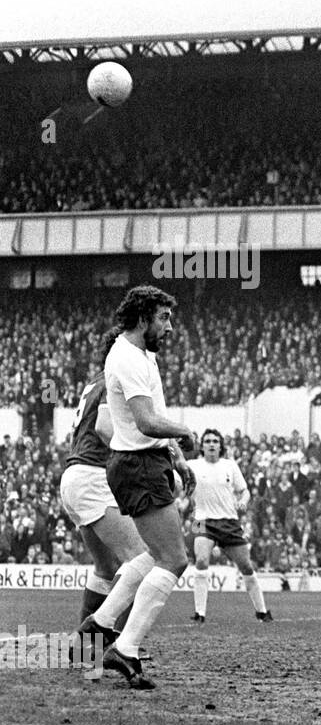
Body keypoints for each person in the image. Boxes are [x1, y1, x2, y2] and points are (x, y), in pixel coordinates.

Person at [77, 286, 198, 690]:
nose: (169, 327)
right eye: (164, 318)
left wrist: (175, 456)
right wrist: (185, 431)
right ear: (143, 318)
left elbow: (130, 421)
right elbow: (147, 422)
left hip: (143, 462)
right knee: (174, 560)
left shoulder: (140, 356)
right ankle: (125, 648)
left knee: (151, 556)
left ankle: (102, 622)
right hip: (138, 465)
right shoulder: (126, 357)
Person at [60, 360, 150, 640]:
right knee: (142, 557)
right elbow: (104, 428)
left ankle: (87, 647)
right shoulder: (116, 378)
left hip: (75, 476)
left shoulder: (95, 382)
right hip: (93, 476)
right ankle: (118, 643)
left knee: (107, 567)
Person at [188, 428, 272, 624]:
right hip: (201, 520)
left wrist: (243, 500)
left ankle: (262, 611)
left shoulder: (230, 466)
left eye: (215, 441)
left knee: (246, 566)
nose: (211, 444)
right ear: (202, 446)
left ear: (220, 446)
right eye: (207, 441)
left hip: (229, 521)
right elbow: (181, 482)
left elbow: (245, 491)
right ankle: (199, 613)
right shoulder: (193, 465)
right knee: (200, 560)